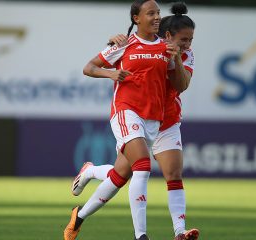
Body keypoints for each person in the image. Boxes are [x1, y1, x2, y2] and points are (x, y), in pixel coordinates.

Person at [70, 2, 199, 240]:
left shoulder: (178, 53)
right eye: (184, 40)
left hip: (163, 120)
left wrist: (177, 57)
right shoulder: (137, 44)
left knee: (127, 175)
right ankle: (141, 235)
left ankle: (80, 211)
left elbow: (180, 86)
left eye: (191, 40)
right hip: (132, 112)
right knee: (140, 168)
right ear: (169, 35)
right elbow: (96, 63)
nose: (188, 45)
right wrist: (113, 48)